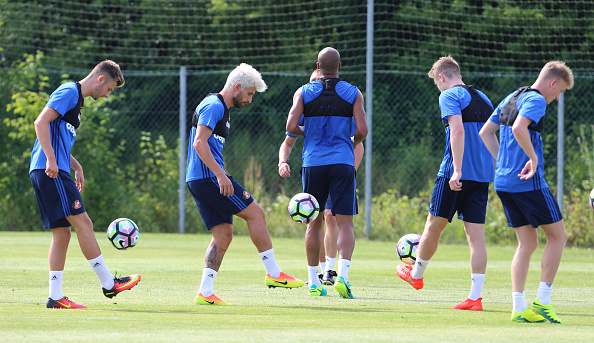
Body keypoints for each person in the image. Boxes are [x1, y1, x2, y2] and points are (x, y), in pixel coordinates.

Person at [187, 63, 304, 306]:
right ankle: (274, 274)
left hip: (203, 178)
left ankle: (205, 292)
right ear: (237, 87)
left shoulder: (222, 110)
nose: (250, 100)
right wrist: (221, 176)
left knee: (223, 234)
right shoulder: (213, 105)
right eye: (250, 93)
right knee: (256, 214)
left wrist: (222, 172)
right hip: (208, 178)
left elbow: (213, 148)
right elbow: (199, 143)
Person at [29, 60, 141, 309]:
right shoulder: (69, 91)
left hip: (50, 168)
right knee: (84, 223)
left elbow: (58, 138)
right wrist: (51, 159)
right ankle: (109, 284)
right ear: (101, 79)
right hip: (51, 171)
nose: (107, 94)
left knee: (63, 233)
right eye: (110, 89)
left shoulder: (76, 101)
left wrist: (76, 165)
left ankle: (55, 297)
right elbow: (40, 123)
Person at [396, 56, 494, 311]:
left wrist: (457, 170)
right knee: (476, 236)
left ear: (441, 77)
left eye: (436, 84)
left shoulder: (449, 96)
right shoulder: (484, 97)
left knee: (434, 225)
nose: (438, 90)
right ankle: (475, 298)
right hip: (482, 175)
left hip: (455, 173)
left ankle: (416, 276)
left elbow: (458, 131)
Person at [479, 61, 573, 323]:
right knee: (558, 237)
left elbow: (485, 132)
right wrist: (531, 158)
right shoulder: (537, 100)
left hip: (504, 182)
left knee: (528, 243)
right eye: (560, 91)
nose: (557, 98)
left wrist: (503, 163)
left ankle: (519, 308)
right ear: (553, 82)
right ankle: (543, 301)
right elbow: (520, 128)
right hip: (527, 182)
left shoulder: (512, 96)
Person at [286, 47, 368, 298]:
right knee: (345, 223)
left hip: (313, 163)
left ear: (318, 66)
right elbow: (363, 131)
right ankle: (342, 276)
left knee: (314, 221)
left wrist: (308, 132)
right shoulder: (353, 93)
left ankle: (314, 282)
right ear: (340, 66)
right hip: (342, 162)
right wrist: (348, 141)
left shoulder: (304, 91)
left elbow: (290, 126)